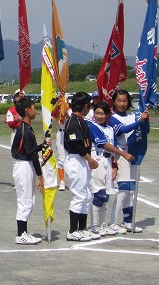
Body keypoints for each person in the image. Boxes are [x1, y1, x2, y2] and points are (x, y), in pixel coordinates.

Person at [86, 101, 134, 236]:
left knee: (105, 195)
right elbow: (104, 145)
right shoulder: (93, 126)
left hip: (107, 160)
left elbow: (112, 150)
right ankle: (94, 225)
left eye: (102, 113)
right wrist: (123, 154)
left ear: (108, 115)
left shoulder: (110, 129)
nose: (99, 116)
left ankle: (102, 225)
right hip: (98, 160)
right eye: (97, 113)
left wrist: (114, 166)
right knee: (99, 194)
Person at [108, 89, 148, 233]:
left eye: (125, 101)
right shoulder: (112, 117)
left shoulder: (132, 115)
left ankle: (128, 221)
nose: (122, 104)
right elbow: (123, 130)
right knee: (123, 190)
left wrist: (144, 117)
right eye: (119, 100)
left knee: (131, 191)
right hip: (121, 155)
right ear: (114, 101)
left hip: (133, 154)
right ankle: (113, 222)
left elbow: (142, 129)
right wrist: (140, 121)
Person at [63, 92, 99, 242]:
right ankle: (72, 230)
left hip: (81, 160)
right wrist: (90, 159)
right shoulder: (74, 121)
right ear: (85, 106)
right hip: (76, 160)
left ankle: (82, 228)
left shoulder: (79, 120)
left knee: (86, 195)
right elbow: (76, 144)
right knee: (79, 195)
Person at [11, 96, 46, 245]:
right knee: (25, 201)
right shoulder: (25, 129)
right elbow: (31, 155)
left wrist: (42, 145)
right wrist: (40, 176)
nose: (35, 110)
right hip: (24, 165)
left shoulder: (26, 128)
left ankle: (24, 231)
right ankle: (20, 234)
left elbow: (30, 150)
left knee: (29, 200)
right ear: (27, 110)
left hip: (25, 164)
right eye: (33, 107)